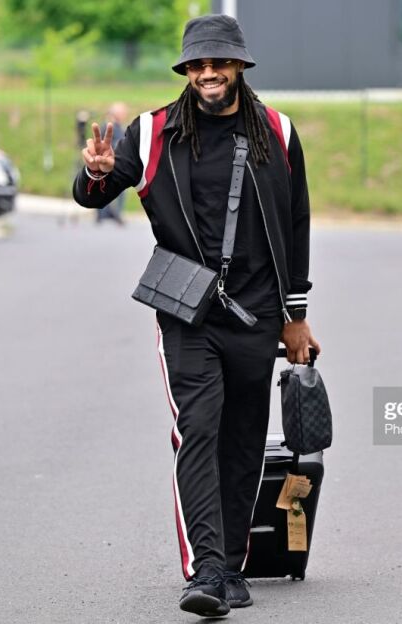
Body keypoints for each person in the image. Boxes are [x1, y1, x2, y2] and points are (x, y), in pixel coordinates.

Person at [72, 14, 321, 618]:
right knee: (199, 428)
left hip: (257, 313)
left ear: (239, 67)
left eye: (220, 62)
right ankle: (205, 569)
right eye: (198, 64)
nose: (209, 72)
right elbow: (95, 194)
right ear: (186, 70)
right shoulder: (153, 132)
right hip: (187, 311)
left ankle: (232, 566)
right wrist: (95, 174)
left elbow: (296, 224)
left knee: (243, 439)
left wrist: (295, 315)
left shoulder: (277, 131)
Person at [95, 102, 129, 226]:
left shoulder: (116, 126)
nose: (125, 115)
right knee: (107, 188)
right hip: (110, 163)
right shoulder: (110, 126)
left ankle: (110, 214)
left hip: (115, 163)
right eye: (123, 113)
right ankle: (106, 213)